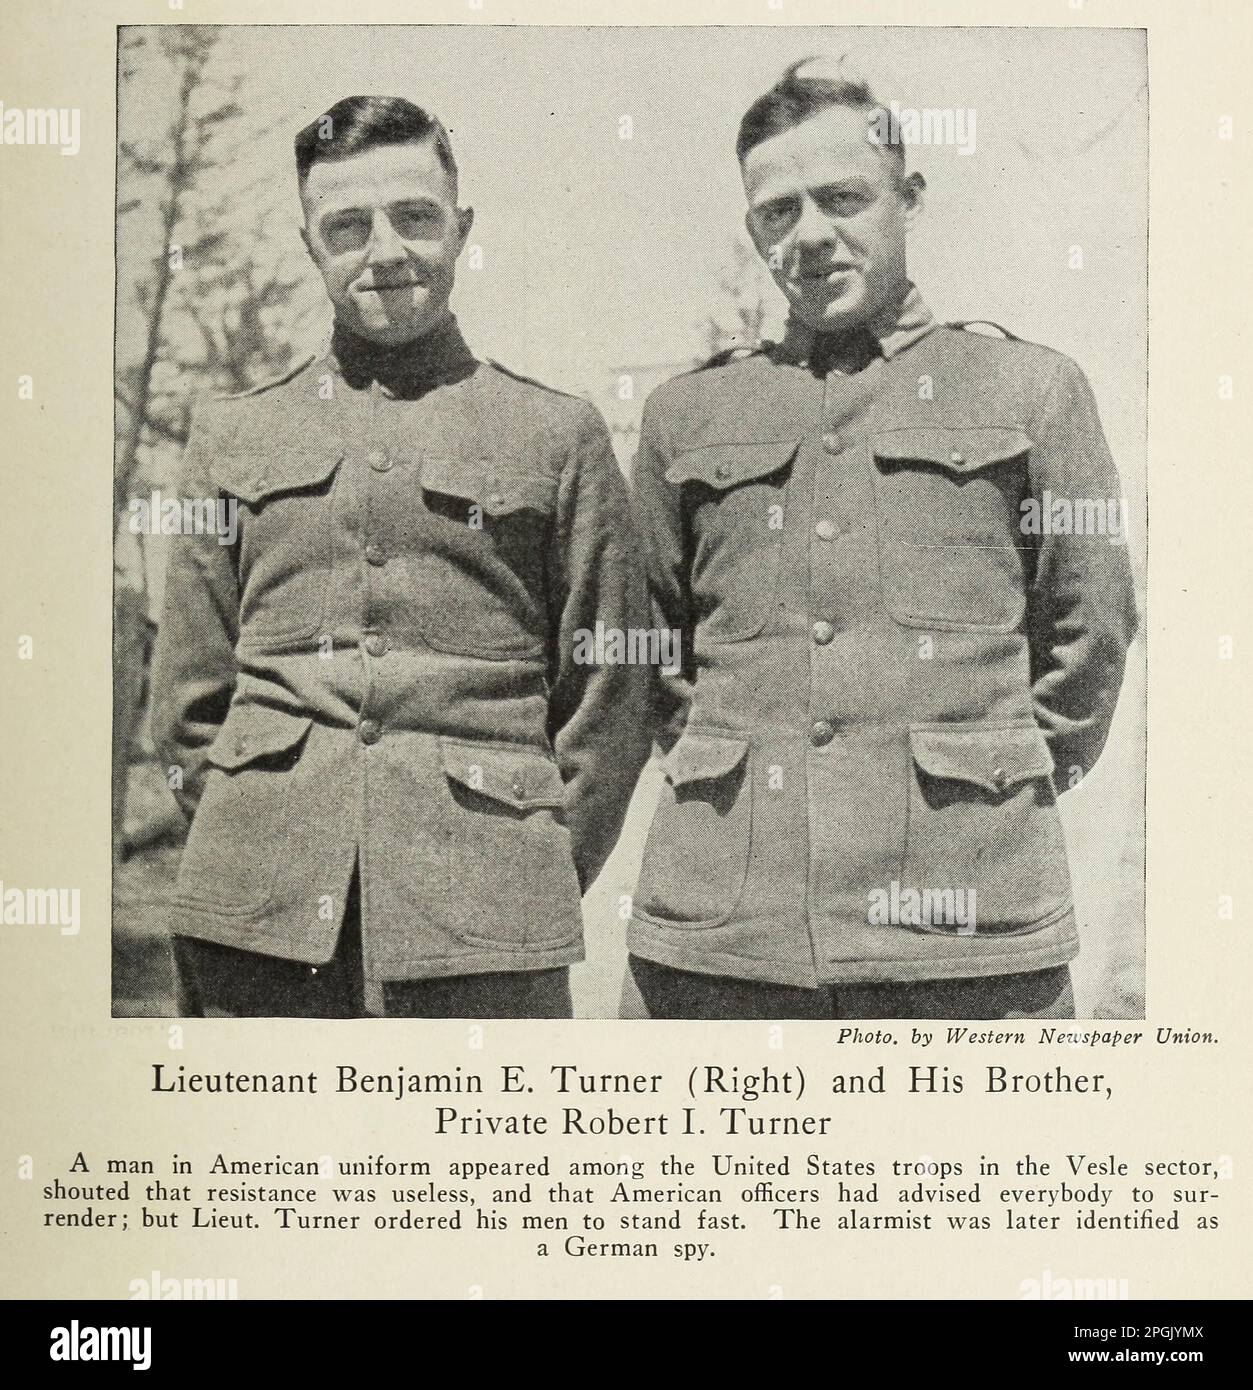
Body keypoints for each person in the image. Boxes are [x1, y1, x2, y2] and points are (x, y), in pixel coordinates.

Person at [625, 60, 1139, 1020]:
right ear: (753, 231)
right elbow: (648, 644)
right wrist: (722, 764)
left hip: (970, 932)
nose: (810, 234)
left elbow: (1090, 628)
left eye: (843, 198)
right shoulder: (686, 413)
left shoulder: (1029, 391)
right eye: (777, 212)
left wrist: (992, 779)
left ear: (908, 197)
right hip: (725, 933)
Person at [151, 95, 651, 1017]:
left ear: (461, 228)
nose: (384, 250)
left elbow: (610, 697)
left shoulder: (556, 433)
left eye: (414, 217)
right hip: (256, 930)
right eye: (347, 226)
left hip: (487, 937)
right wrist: (251, 839)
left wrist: (520, 871)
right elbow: (188, 700)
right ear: (311, 245)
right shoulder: (230, 435)